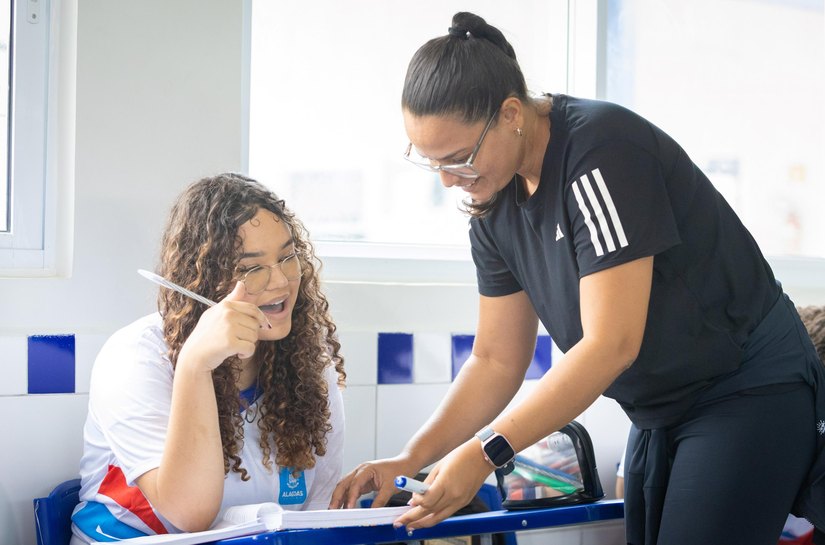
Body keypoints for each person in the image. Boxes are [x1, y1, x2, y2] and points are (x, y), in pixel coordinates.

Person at [330, 12, 825, 545]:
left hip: (745, 385)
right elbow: (496, 358)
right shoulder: (491, 200)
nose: (451, 180)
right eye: (431, 164)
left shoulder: (600, 153)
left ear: (511, 114)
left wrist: (485, 452)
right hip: (660, 407)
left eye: (459, 158)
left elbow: (611, 344)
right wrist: (413, 456)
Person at [70, 173, 346, 543]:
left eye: (287, 257)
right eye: (251, 268)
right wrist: (195, 364)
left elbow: (316, 509)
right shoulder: (133, 358)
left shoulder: (308, 364)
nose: (280, 281)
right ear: (201, 279)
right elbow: (188, 514)